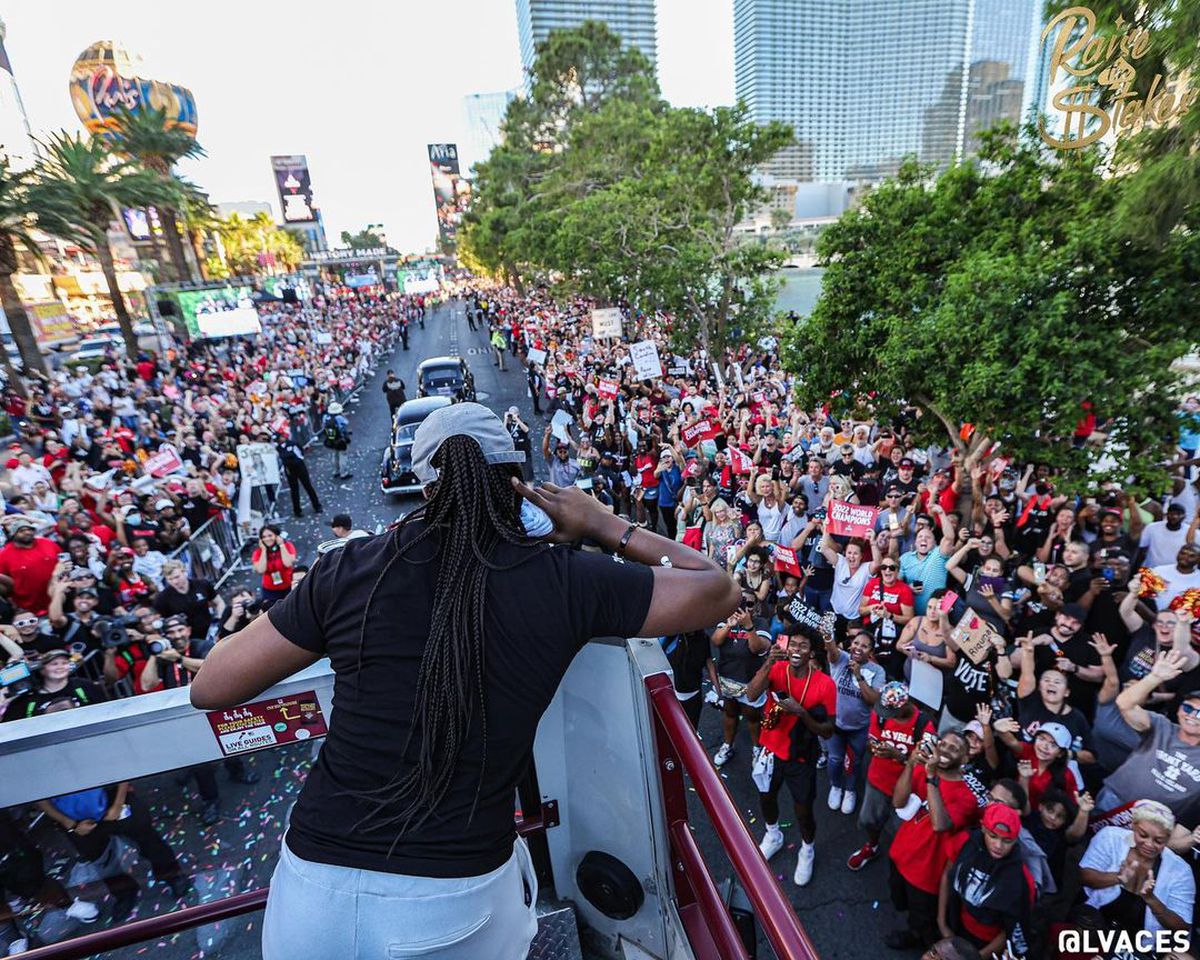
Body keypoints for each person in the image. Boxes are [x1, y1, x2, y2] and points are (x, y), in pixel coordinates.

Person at [190, 402, 739, 960]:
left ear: (424, 485)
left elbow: (211, 686)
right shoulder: (566, 580)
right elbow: (716, 589)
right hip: (455, 900)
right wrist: (604, 524)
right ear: (516, 481)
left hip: (309, 895)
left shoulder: (348, 569)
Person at [746, 627, 837, 886]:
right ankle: (773, 835)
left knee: (803, 809)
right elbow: (751, 694)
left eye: (803, 646)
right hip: (770, 749)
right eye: (793, 644)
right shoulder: (776, 668)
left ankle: (807, 849)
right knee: (766, 796)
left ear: (812, 652)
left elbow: (828, 731)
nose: (796, 650)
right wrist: (768, 662)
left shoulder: (825, 684)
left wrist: (802, 713)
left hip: (801, 757)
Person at [886, 731, 981, 950]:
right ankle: (912, 931)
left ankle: (919, 941)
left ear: (965, 759)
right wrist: (910, 765)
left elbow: (940, 825)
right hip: (900, 855)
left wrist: (930, 779)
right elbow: (898, 803)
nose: (945, 750)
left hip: (927, 874)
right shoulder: (922, 769)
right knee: (902, 902)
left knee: (924, 922)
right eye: (943, 744)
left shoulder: (966, 796)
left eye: (954, 748)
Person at [1099, 650, 1200, 844]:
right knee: (1086, 854)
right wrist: (1155, 677)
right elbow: (1124, 703)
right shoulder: (1162, 725)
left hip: (1156, 828)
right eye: (1188, 708)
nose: (1191, 716)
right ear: (1179, 710)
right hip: (1115, 803)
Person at [847, 681, 936, 871]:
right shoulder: (881, 715)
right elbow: (871, 740)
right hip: (878, 781)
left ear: (905, 705)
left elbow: (925, 765)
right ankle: (872, 846)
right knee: (869, 820)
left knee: (902, 832)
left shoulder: (924, 726)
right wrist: (875, 748)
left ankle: (901, 862)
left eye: (892, 712)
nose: (886, 715)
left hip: (906, 791)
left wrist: (899, 756)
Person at [1078, 800, 1194, 935]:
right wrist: (1117, 878)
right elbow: (1084, 876)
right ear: (1133, 826)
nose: (1149, 844)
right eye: (1143, 835)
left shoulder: (1181, 871)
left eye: (1158, 841)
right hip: (1090, 924)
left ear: (1168, 838)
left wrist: (1151, 899)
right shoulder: (1110, 837)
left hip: (1136, 944)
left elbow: (1182, 926)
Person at [938, 803, 1035, 960]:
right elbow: (948, 875)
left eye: (1007, 841)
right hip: (956, 922)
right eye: (993, 836)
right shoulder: (965, 843)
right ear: (983, 827)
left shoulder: (1021, 881)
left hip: (988, 942)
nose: (998, 846)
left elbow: (1012, 928)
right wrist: (942, 923)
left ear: (1016, 839)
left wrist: (978, 957)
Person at [824, 626, 886, 815]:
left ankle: (850, 791)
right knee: (834, 759)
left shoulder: (878, 671)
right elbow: (832, 652)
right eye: (856, 643)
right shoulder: (842, 658)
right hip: (835, 724)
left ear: (871, 652)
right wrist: (828, 637)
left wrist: (859, 675)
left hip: (859, 728)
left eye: (865, 646)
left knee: (855, 761)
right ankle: (836, 786)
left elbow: (873, 700)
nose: (858, 648)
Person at [710, 591, 772, 768]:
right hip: (727, 679)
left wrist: (749, 627)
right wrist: (729, 626)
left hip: (750, 683)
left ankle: (756, 748)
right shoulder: (727, 619)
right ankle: (727, 745)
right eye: (741, 603)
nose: (745, 608)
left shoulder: (761, 623)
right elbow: (716, 641)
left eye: (750, 604)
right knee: (730, 713)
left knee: (752, 717)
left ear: (756, 607)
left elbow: (757, 649)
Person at [276, 431, 322, 518]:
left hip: (299, 467)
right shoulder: (278, 448)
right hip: (289, 469)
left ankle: (317, 505)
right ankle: (297, 509)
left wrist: (291, 458)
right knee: (294, 490)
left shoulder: (292, 444)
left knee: (307, 486)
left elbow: (300, 454)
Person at [251, 525, 298, 610]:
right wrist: (264, 550)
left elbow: (288, 563)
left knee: (292, 609)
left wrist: (282, 545)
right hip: (270, 590)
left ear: (277, 536)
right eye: (264, 537)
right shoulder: (258, 552)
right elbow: (261, 569)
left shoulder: (287, 546)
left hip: (289, 585)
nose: (267, 539)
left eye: (270, 535)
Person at [321, 401, 353, 480]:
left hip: (331, 440)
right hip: (340, 439)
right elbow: (345, 424)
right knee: (342, 456)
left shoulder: (326, 417)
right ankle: (343, 473)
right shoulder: (339, 418)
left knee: (334, 455)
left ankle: (336, 471)